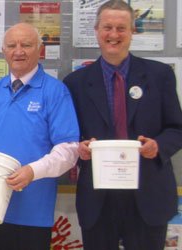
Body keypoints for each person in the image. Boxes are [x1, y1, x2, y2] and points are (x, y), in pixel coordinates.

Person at [63, 1, 182, 249]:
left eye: (121, 28)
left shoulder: (160, 75)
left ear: (132, 31)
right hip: (99, 200)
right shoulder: (75, 83)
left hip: (148, 195)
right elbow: (68, 137)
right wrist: (80, 148)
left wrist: (157, 146)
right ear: (96, 30)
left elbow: (176, 129)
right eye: (107, 27)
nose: (114, 35)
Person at [0, 22, 80, 249]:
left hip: (33, 210)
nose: (18, 51)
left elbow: (69, 149)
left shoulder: (55, 91)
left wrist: (32, 171)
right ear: (4, 52)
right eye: (12, 45)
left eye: (26, 45)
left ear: (39, 50)